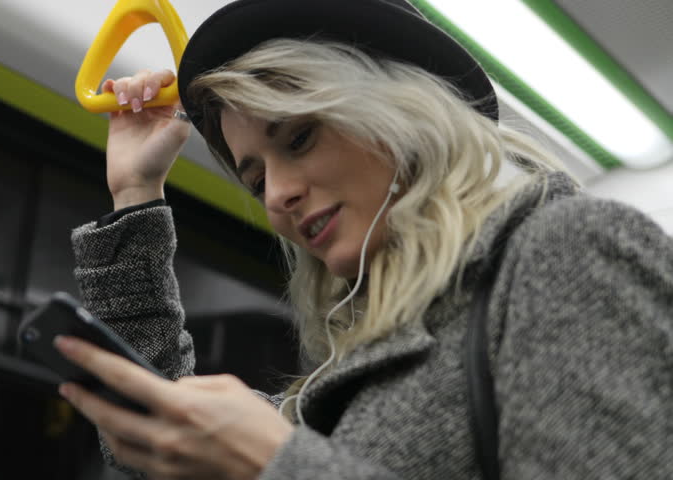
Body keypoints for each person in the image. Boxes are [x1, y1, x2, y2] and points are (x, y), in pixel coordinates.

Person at [53, 0, 673, 478]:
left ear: (400, 116)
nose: (276, 196)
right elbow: (162, 441)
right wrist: (136, 190)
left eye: (299, 139)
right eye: (258, 176)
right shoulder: (356, 372)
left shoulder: (567, 250)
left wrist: (279, 464)